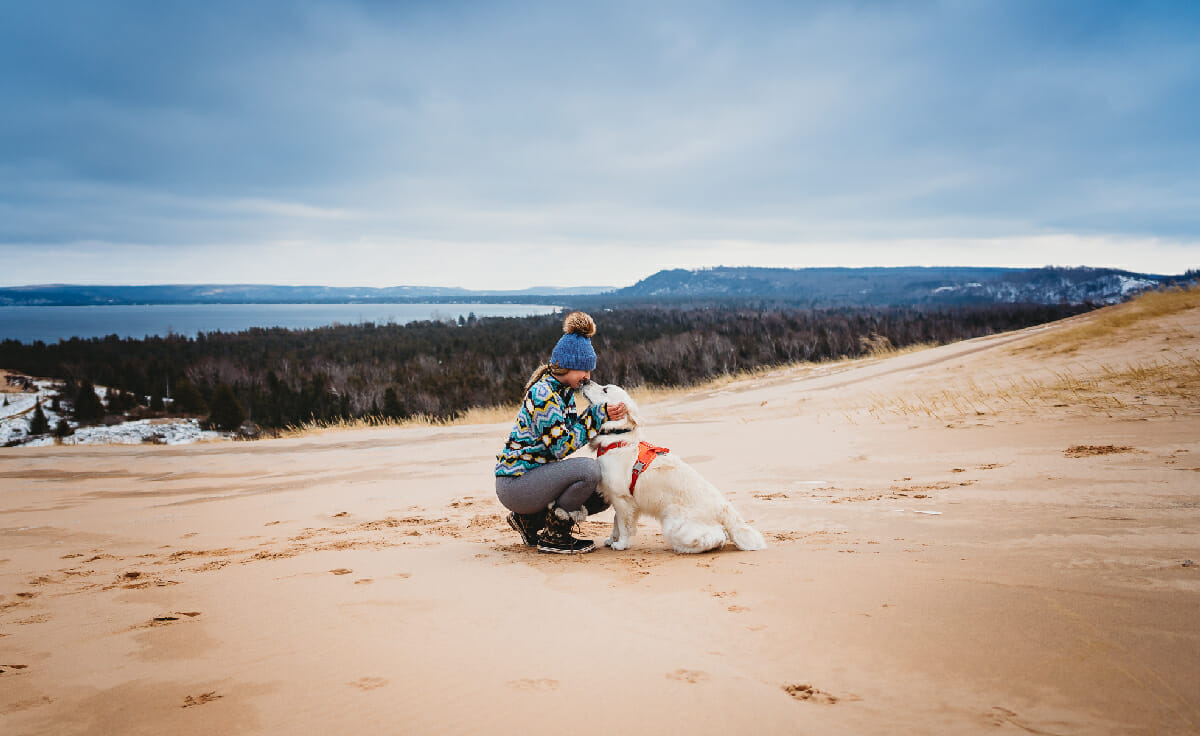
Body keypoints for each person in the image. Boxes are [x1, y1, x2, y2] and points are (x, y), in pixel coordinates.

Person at [494, 311, 627, 554]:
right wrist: (597, 415)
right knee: (590, 470)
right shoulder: (545, 394)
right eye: (584, 371)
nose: (588, 377)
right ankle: (554, 537)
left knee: (604, 489)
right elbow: (561, 446)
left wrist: (599, 417)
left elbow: (573, 432)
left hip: (532, 479)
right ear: (569, 366)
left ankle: (529, 522)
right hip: (516, 483)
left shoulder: (562, 392)